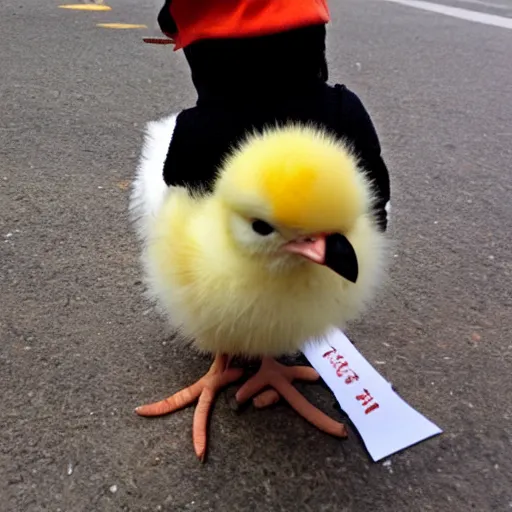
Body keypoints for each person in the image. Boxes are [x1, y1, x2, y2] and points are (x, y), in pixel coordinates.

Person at [149, 0, 391, 231]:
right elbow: (374, 203)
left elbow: (183, 219)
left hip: (229, 271)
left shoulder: (196, 130)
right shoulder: (342, 110)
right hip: (330, 266)